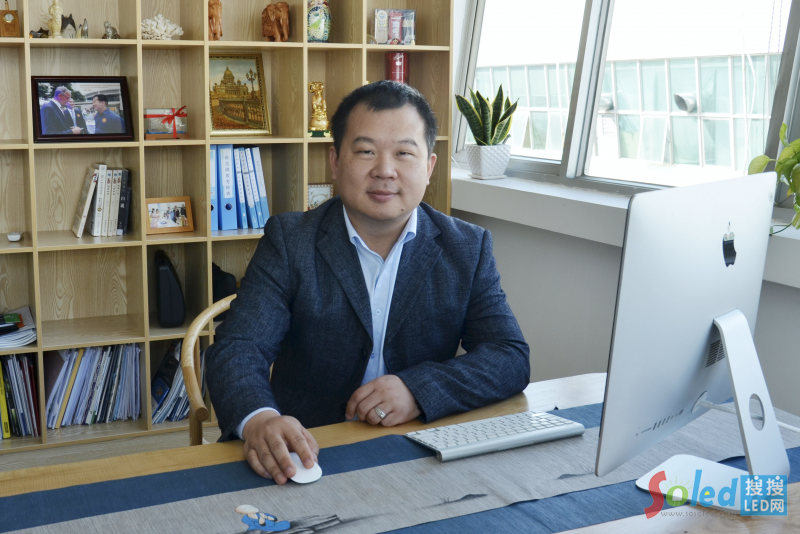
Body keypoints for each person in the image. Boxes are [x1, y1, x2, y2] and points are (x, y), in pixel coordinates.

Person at [206, 81, 530, 484]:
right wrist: (260, 419)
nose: (385, 171)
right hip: (306, 451)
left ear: (430, 167)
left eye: (404, 153)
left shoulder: (466, 247)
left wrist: (418, 389)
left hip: (419, 451)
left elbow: (509, 355)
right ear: (335, 161)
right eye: (365, 151)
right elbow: (239, 348)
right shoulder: (290, 240)